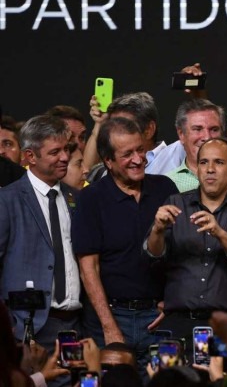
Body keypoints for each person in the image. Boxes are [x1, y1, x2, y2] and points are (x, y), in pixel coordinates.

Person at [72, 118, 178, 376]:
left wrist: (170, 301)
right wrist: (109, 327)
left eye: (140, 150)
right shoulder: (91, 199)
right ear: (108, 161)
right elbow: (89, 268)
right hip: (109, 317)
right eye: (127, 154)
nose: (138, 159)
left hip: (157, 319)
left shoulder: (165, 188)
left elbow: (180, 253)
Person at [145, 137, 227, 362]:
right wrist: (157, 231)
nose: (210, 169)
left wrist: (219, 232)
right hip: (178, 324)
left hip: (226, 326)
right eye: (203, 162)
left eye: (218, 163)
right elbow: (152, 258)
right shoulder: (175, 203)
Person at [0, 115, 81, 354]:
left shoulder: (78, 198)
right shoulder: (7, 200)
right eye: (55, 152)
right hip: (27, 327)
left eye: (66, 149)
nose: (65, 157)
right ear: (30, 157)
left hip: (76, 323)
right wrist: (10, 325)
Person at [166, 98, 227, 196]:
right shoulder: (165, 185)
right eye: (198, 129)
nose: (207, 137)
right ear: (181, 134)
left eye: (214, 129)